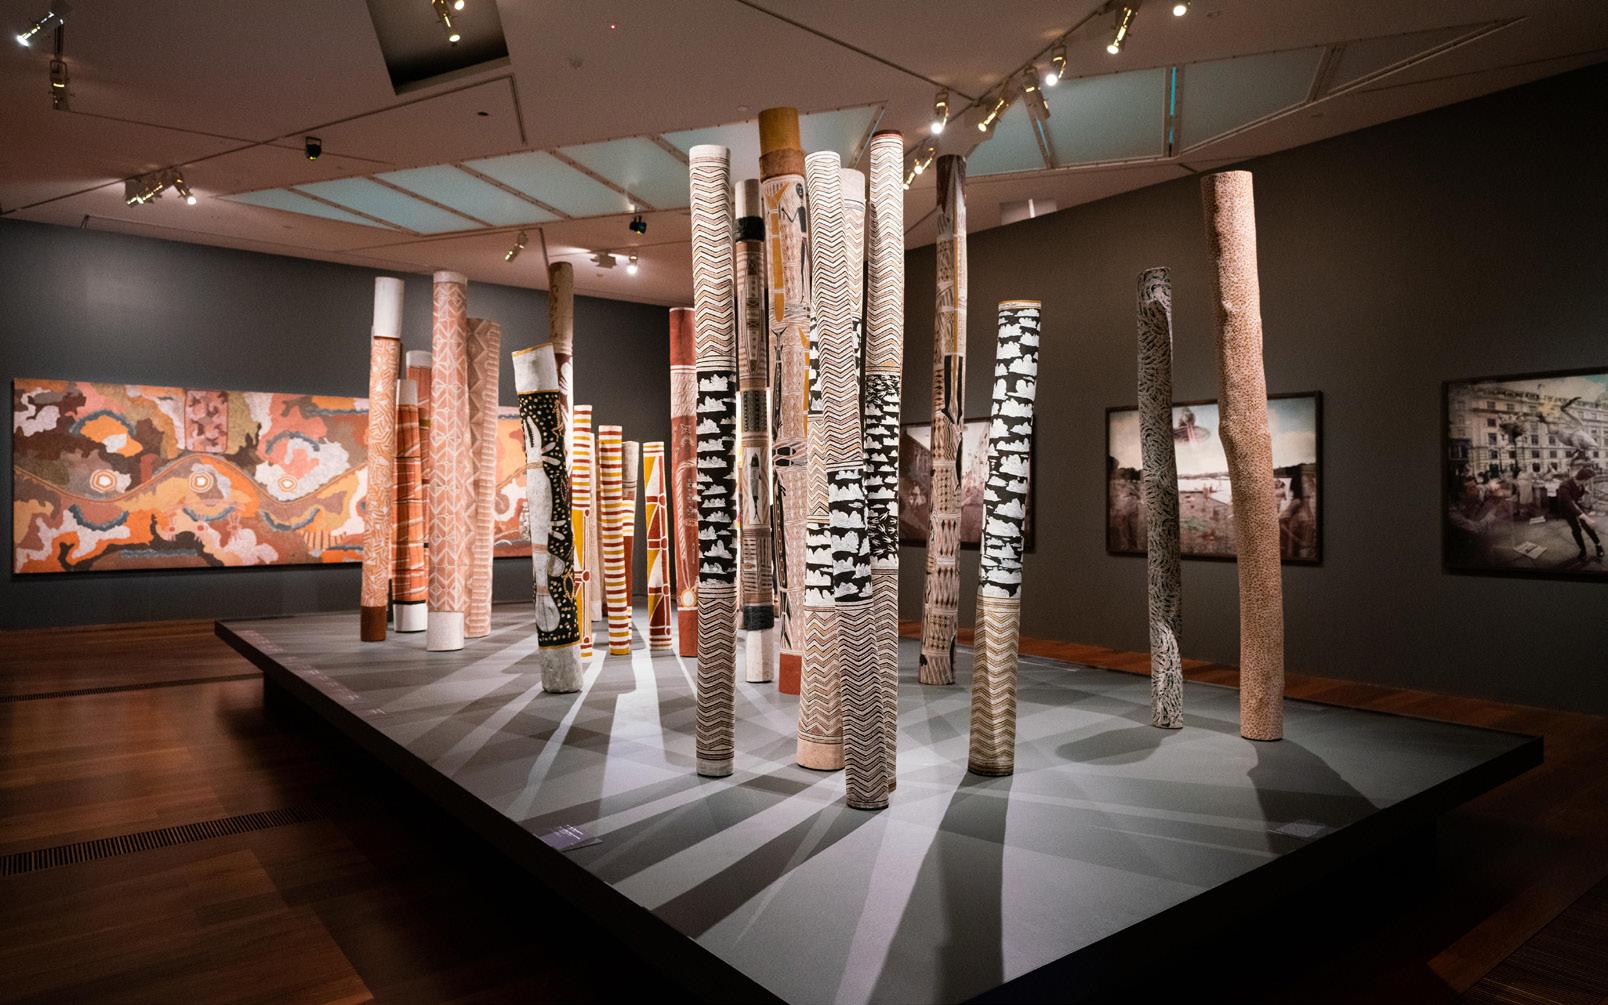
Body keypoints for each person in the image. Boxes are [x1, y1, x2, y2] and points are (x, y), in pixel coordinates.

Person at [1558, 466, 1603, 562]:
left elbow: (1577, 496)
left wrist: (1584, 492)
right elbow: (1570, 504)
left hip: (1575, 504)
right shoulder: (1564, 486)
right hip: (1567, 509)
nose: (1589, 482)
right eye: (1589, 480)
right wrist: (1587, 518)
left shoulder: (1580, 484)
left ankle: (1598, 545)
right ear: (1584, 479)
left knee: (1587, 526)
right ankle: (1583, 550)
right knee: (1576, 529)